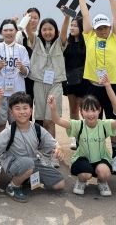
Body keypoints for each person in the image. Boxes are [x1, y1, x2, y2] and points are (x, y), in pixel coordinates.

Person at [48, 94, 116, 196]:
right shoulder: (78, 125)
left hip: (101, 158)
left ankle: (102, 182)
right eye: (86, 110)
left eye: (93, 110)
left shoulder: (104, 125)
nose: (90, 114)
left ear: (99, 110)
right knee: (85, 174)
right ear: (81, 111)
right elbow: (58, 120)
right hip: (82, 158)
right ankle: (81, 181)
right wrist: (53, 108)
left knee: (105, 173)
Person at [0, 92, 65, 203]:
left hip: (33, 162)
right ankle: (13, 186)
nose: (22, 112)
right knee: (28, 163)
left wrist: (58, 149)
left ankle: (27, 179)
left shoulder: (37, 128)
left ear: (31, 110)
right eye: (17, 108)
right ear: (11, 112)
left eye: (25, 108)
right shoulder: (9, 131)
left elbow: (53, 143)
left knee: (59, 184)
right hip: (14, 164)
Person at [76, 0, 116, 170]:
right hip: (92, 86)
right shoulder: (89, 37)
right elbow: (86, 16)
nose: (102, 30)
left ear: (109, 28)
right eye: (99, 28)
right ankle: (94, 153)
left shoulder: (115, 38)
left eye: (105, 27)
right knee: (93, 121)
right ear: (94, 29)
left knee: (114, 122)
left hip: (111, 86)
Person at [25, 11, 69, 141]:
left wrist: (67, 17)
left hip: (55, 83)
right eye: (44, 29)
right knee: (41, 118)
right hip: (39, 82)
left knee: (51, 119)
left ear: (55, 31)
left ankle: (50, 149)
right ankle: (42, 146)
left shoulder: (60, 42)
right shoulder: (36, 41)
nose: (47, 32)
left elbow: (64, 31)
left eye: (50, 29)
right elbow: (28, 31)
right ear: (40, 31)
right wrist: (27, 18)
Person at [0, 19, 31, 134]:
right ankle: (1, 145)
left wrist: (22, 67)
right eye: (5, 30)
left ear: (16, 31)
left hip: (17, 91)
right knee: (0, 123)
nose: (8, 32)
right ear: (1, 32)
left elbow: (26, 72)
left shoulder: (22, 49)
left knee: (17, 122)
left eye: (11, 30)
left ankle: (16, 144)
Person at [62, 16, 87, 149]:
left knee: (84, 109)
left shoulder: (86, 43)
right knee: (73, 109)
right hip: (70, 80)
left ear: (81, 28)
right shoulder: (67, 43)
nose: (72, 28)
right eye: (71, 25)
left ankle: (86, 135)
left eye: (75, 25)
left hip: (83, 80)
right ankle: (75, 136)